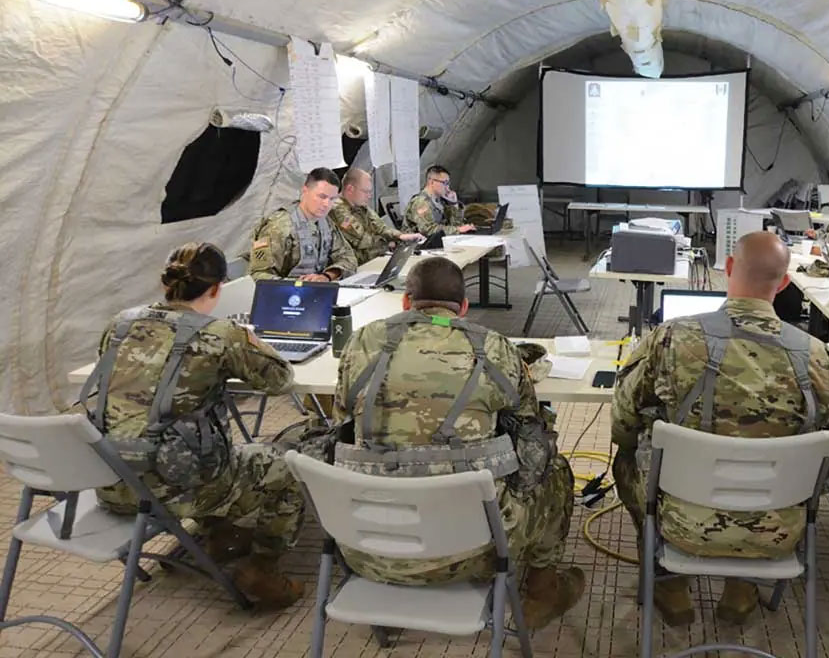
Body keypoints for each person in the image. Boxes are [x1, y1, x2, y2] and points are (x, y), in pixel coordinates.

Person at [612, 231, 829, 626]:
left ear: (730, 269)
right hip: (779, 529)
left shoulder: (670, 339)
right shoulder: (820, 357)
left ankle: (669, 584)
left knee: (625, 458)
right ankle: (742, 589)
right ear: (785, 283)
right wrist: (815, 483)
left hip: (683, 522)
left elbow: (622, 422)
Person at [329, 257, 584, 628]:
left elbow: (342, 424)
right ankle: (543, 590)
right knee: (556, 471)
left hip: (366, 549)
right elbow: (531, 429)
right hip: (476, 554)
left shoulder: (362, 342)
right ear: (463, 308)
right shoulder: (494, 348)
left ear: (405, 302)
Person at [84, 243, 305, 608]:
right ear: (218, 288)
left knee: (192, 437)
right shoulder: (219, 335)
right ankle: (262, 569)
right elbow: (280, 380)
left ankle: (220, 535)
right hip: (177, 487)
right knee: (287, 467)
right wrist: (249, 338)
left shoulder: (119, 324)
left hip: (112, 479)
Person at [249, 167, 358, 281]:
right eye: (322, 196)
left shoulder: (325, 222)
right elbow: (258, 275)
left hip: (315, 291)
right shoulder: (279, 227)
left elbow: (348, 257)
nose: (326, 204)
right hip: (288, 294)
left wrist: (326, 276)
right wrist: (300, 284)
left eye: (332, 199)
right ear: (305, 191)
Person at [328, 167, 422, 264]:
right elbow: (363, 240)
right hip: (357, 265)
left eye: (370, 192)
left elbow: (381, 228)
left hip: (372, 259)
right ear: (350, 189)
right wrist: (389, 244)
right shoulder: (337, 209)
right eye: (365, 191)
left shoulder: (361, 206)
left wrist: (401, 236)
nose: (369, 196)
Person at [401, 165, 477, 238]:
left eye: (448, 183)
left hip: (435, 242)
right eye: (445, 183)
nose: (447, 188)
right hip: (416, 245)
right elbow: (428, 230)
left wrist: (454, 204)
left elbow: (455, 224)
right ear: (432, 182)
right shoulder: (421, 202)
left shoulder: (441, 201)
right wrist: (457, 230)